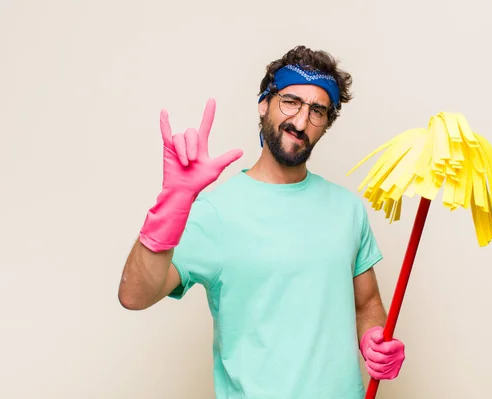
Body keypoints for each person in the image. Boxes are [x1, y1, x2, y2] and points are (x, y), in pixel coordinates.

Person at [118, 45, 406, 399]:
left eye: (317, 111)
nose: (300, 122)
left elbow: (367, 303)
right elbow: (134, 295)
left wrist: (373, 338)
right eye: (291, 101)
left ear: (326, 124)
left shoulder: (347, 209)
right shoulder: (215, 212)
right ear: (264, 103)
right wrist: (172, 203)